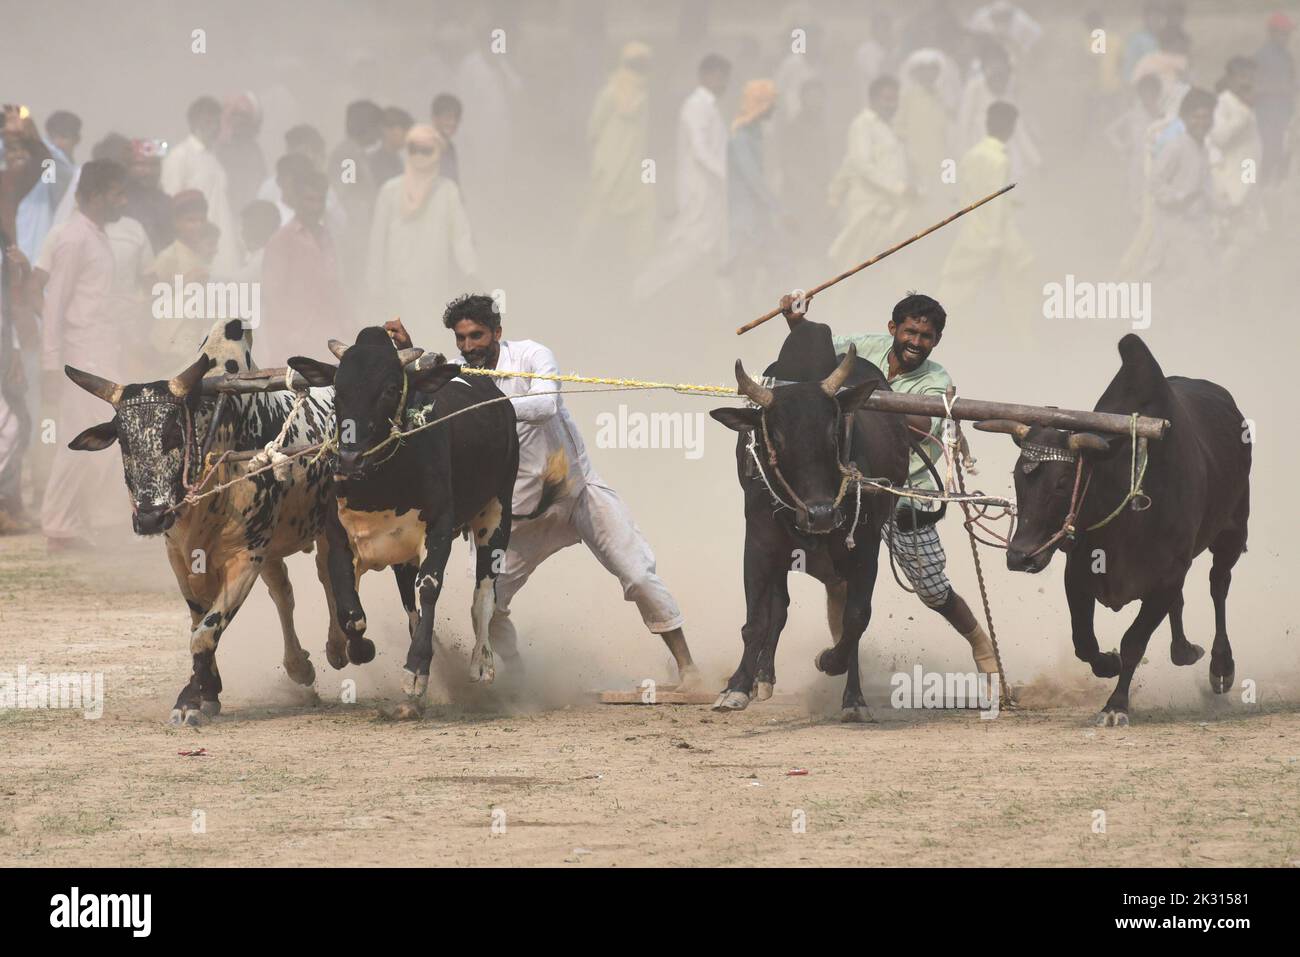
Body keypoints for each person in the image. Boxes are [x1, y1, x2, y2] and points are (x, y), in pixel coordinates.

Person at [430, 294, 698, 684]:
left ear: (497, 333)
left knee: (639, 576)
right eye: (461, 338)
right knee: (487, 607)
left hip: (577, 493)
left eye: (477, 335)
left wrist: (482, 404)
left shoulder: (531, 354)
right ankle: (518, 677)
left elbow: (544, 406)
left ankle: (687, 666)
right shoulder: (455, 378)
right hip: (517, 515)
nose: (469, 347)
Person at [777, 290, 1001, 680]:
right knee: (838, 576)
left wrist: (867, 400)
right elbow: (811, 358)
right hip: (849, 487)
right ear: (893, 329)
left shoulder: (936, 379)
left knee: (931, 588)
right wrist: (796, 321)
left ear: (937, 341)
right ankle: (846, 665)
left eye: (926, 337)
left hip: (903, 489)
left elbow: (921, 424)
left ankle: (981, 644)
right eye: (910, 332)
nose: (916, 342)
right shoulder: (860, 349)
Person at [38, 159, 129, 550]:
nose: (123, 201)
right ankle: (66, 523)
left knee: (93, 436)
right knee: (90, 436)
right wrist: (49, 362)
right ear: (95, 195)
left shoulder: (97, 235)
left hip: (100, 351)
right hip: (80, 355)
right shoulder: (73, 237)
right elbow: (54, 304)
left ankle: (73, 522)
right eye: (117, 193)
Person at [632, 54, 731, 301]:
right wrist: (729, 177)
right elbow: (701, 151)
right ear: (705, 76)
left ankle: (729, 309)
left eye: (725, 77)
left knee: (719, 250)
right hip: (699, 193)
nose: (723, 82)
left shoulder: (709, 107)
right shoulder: (695, 107)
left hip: (712, 194)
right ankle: (640, 290)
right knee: (686, 249)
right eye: (719, 76)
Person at [367, 126, 475, 341]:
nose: (419, 156)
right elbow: (377, 240)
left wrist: (471, 272)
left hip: (433, 282)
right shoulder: (390, 190)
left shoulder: (447, 191)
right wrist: (374, 284)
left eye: (426, 151)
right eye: (414, 150)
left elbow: (461, 237)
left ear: (437, 153)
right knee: (398, 340)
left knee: (429, 337)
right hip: (397, 283)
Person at [938, 101, 1033, 317]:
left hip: (971, 234)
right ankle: (1028, 342)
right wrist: (996, 241)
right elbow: (995, 203)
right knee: (1019, 291)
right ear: (1010, 127)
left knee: (954, 288)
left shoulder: (970, 155)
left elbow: (967, 194)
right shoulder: (1000, 160)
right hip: (996, 238)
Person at [260, 165, 349, 365]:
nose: (315, 206)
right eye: (310, 199)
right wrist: (286, 335)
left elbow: (335, 285)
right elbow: (272, 296)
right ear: (297, 201)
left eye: (320, 200)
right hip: (295, 340)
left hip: (328, 336)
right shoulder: (282, 240)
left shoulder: (326, 237)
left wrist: (349, 323)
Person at [827, 75, 913, 274]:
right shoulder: (863, 125)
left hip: (891, 208)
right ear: (873, 99)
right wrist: (899, 188)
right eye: (887, 100)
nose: (892, 105)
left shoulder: (888, 127)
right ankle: (836, 304)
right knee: (854, 267)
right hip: (869, 208)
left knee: (882, 267)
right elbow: (863, 166)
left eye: (895, 100)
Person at [577, 42, 654, 264]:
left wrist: (597, 155)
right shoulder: (635, 95)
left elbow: (593, 129)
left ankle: (585, 260)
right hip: (625, 167)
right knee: (635, 214)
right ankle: (631, 262)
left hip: (609, 165)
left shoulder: (611, 91)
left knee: (598, 212)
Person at [1140, 87, 1217, 282]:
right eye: (1196, 117)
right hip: (1172, 224)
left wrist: (1222, 208)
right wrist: (1179, 198)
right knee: (1164, 273)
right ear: (1184, 117)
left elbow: (1206, 188)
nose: (1201, 123)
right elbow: (1154, 183)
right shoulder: (1176, 146)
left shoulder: (1203, 148)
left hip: (1196, 226)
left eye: (1206, 117)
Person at [162, 96, 237, 273]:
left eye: (217, 121)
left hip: (223, 244)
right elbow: (171, 203)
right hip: (196, 247)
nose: (214, 127)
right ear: (194, 122)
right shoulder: (179, 156)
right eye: (208, 121)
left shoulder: (215, 158)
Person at [724, 79, 780, 309]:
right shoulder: (741, 138)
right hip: (743, 210)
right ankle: (738, 311)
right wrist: (777, 207)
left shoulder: (755, 134)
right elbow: (752, 177)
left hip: (755, 211)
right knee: (745, 263)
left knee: (757, 262)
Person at [957, 42, 1040, 181]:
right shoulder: (974, 88)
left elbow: (1020, 130)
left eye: (1003, 69)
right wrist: (963, 155)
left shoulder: (1010, 87)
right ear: (984, 69)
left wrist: (1036, 162)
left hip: (1008, 151)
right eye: (992, 64)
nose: (999, 78)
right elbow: (964, 123)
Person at [1211, 57, 1265, 264]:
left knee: (1249, 238)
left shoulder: (1243, 103)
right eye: (1242, 76)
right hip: (1234, 180)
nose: (1248, 81)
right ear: (1230, 77)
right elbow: (1219, 138)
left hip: (1247, 175)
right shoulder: (1224, 103)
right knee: (1238, 237)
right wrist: (1243, 114)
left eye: (1251, 77)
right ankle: (1216, 279)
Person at [1253, 11, 1296, 185]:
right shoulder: (1261, 56)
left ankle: (1275, 189)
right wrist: (1281, 89)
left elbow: (1291, 82)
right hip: (1265, 115)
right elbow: (1254, 87)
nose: (1286, 37)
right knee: (1261, 154)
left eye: (1288, 33)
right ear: (1271, 33)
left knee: (1284, 152)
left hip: (1284, 115)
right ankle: (1255, 189)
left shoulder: (1287, 57)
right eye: (1282, 32)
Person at [215, 91, 267, 216]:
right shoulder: (212, 147)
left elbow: (256, 184)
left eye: (243, 116)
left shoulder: (253, 151)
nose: (238, 120)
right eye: (234, 115)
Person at [125, 138, 173, 251]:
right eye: (141, 164)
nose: (148, 171)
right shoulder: (119, 203)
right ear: (128, 167)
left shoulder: (167, 203)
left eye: (154, 165)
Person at [371, 107, 414, 185]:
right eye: (404, 129)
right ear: (386, 130)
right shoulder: (376, 162)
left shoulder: (397, 159)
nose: (408, 135)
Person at [430, 94, 463, 186]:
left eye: (456, 118)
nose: (452, 123)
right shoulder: (425, 146)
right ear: (434, 118)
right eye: (448, 117)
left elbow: (454, 181)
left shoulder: (450, 148)